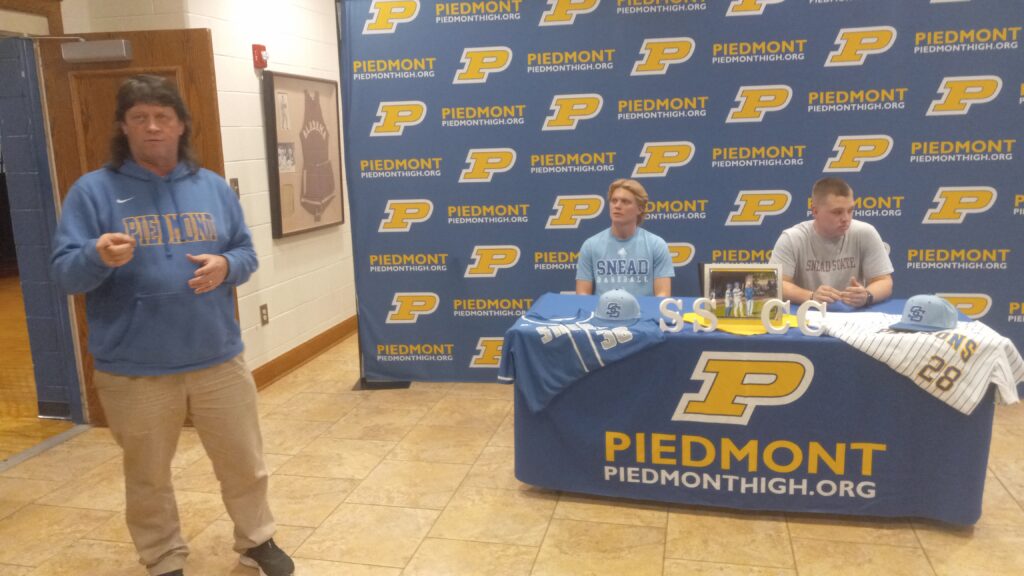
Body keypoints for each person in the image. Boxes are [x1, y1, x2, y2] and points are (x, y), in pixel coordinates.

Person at [50, 75, 293, 576]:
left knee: (244, 463)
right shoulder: (93, 192)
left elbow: (245, 251)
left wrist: (228, 267)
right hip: (135, 367)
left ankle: (256, 539)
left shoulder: (212, 187)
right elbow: (65, 273)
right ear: (124, 126)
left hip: (217, 358)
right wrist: (97, 257)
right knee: (148, 475)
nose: (153, 127)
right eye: (139, 117)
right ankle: (163, 557)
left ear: (182, 124)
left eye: (163, 117)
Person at [769, 177, 893, 308]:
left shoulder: (865, 232)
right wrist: (811, 296)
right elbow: (777, 284)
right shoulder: (792, 238)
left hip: (853, 317)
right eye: (837, 212)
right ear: (815, 211)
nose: (846, 219)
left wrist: (867, 295)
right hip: (807, 315)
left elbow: (884, 281)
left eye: (850, 210)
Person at [575, 178, 674, 297]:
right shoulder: (590, 245)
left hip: (644, 314)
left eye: (625, 202)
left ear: (640, 208)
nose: (617, 206)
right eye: (614, 201)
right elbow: (582, 294)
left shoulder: (656, 245)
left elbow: (662, 295)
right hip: (602, 314)